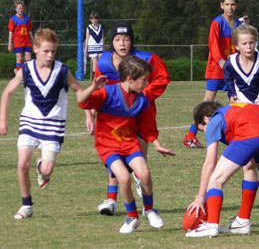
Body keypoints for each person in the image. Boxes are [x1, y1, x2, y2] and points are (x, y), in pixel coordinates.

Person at [78, 55, 175, 233]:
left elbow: (148, 127)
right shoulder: (108, 93)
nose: (147, 83)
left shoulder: (142, 99)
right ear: (130, 79)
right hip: (108, 146)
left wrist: (157, 144)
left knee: (144, 174)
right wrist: (93, 87)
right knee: (123, 178)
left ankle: (149, 210)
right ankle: (132, 217)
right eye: (144, 79)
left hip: (130, 145)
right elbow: (82, 101)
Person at [85, 21, 171, 215]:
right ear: (111, 42)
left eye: (126, 38)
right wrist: (90, 115)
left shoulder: (145, 59)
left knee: (138, 156)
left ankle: (142, 191)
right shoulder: (104, 61)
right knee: (115, 157)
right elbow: (95, 88)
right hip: (112, 119)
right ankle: (111, 199)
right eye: (117, 39)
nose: (122, 43)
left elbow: (163, 77)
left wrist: (144, 95)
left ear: (132, 41)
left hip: (139, 115)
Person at [0, 28, 85, 219]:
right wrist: (2, 119)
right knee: (22, 164)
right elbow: (7, 92)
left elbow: (80, 91)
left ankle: (41, 168)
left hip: (54, 124)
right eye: (46, 51)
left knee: (47, 170)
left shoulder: (62, 70)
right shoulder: (26, 69)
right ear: (35, 49)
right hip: (29, 121)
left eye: (53, 51)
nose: (50, 55)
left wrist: (89, 115)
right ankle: (26, 205)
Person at [185, 102, 259, 238]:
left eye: (202, 129)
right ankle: (242, 222)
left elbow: (210, 162)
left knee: (216, 179)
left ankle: (211, 225)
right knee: (249, 166)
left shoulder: (214, 119)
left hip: (252, 134)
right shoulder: (234, 110)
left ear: (206, 118)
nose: (206, 134)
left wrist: (201, 197)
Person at [223, 24, 259, 199]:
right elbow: (228, 80)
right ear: (236, 46)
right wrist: (231, 95)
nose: (249, 47)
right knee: (249, 154)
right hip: (243, 111)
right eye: (245, 43)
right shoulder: (231, 62)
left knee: (256, 152)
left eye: (252, 43)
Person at [183, 0, 241, 149]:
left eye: (233, 4)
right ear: (221, 5)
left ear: (237, 6)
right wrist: (221, 62)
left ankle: (238, 135)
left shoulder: (238, 24)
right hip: (217, 68)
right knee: (207, 104)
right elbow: (213, 45)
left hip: (232, 69)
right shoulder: (216, 23)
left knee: (235, 100)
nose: (230, 7)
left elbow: (241, 44)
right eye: (227, 4)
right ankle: (190, 136)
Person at [8, 0, 34, 73]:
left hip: (26, 42)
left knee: (28, 59)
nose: (20, 10)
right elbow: (11, 33)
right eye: (19, 8)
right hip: (18, 42)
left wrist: (33, 42)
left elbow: (30, 31)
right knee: (19, 59)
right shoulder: (12, 20)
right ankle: (19, 74)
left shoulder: (27, 19)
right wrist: (10, 44)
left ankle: (24, 73)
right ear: (16, 9)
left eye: (22, 8)